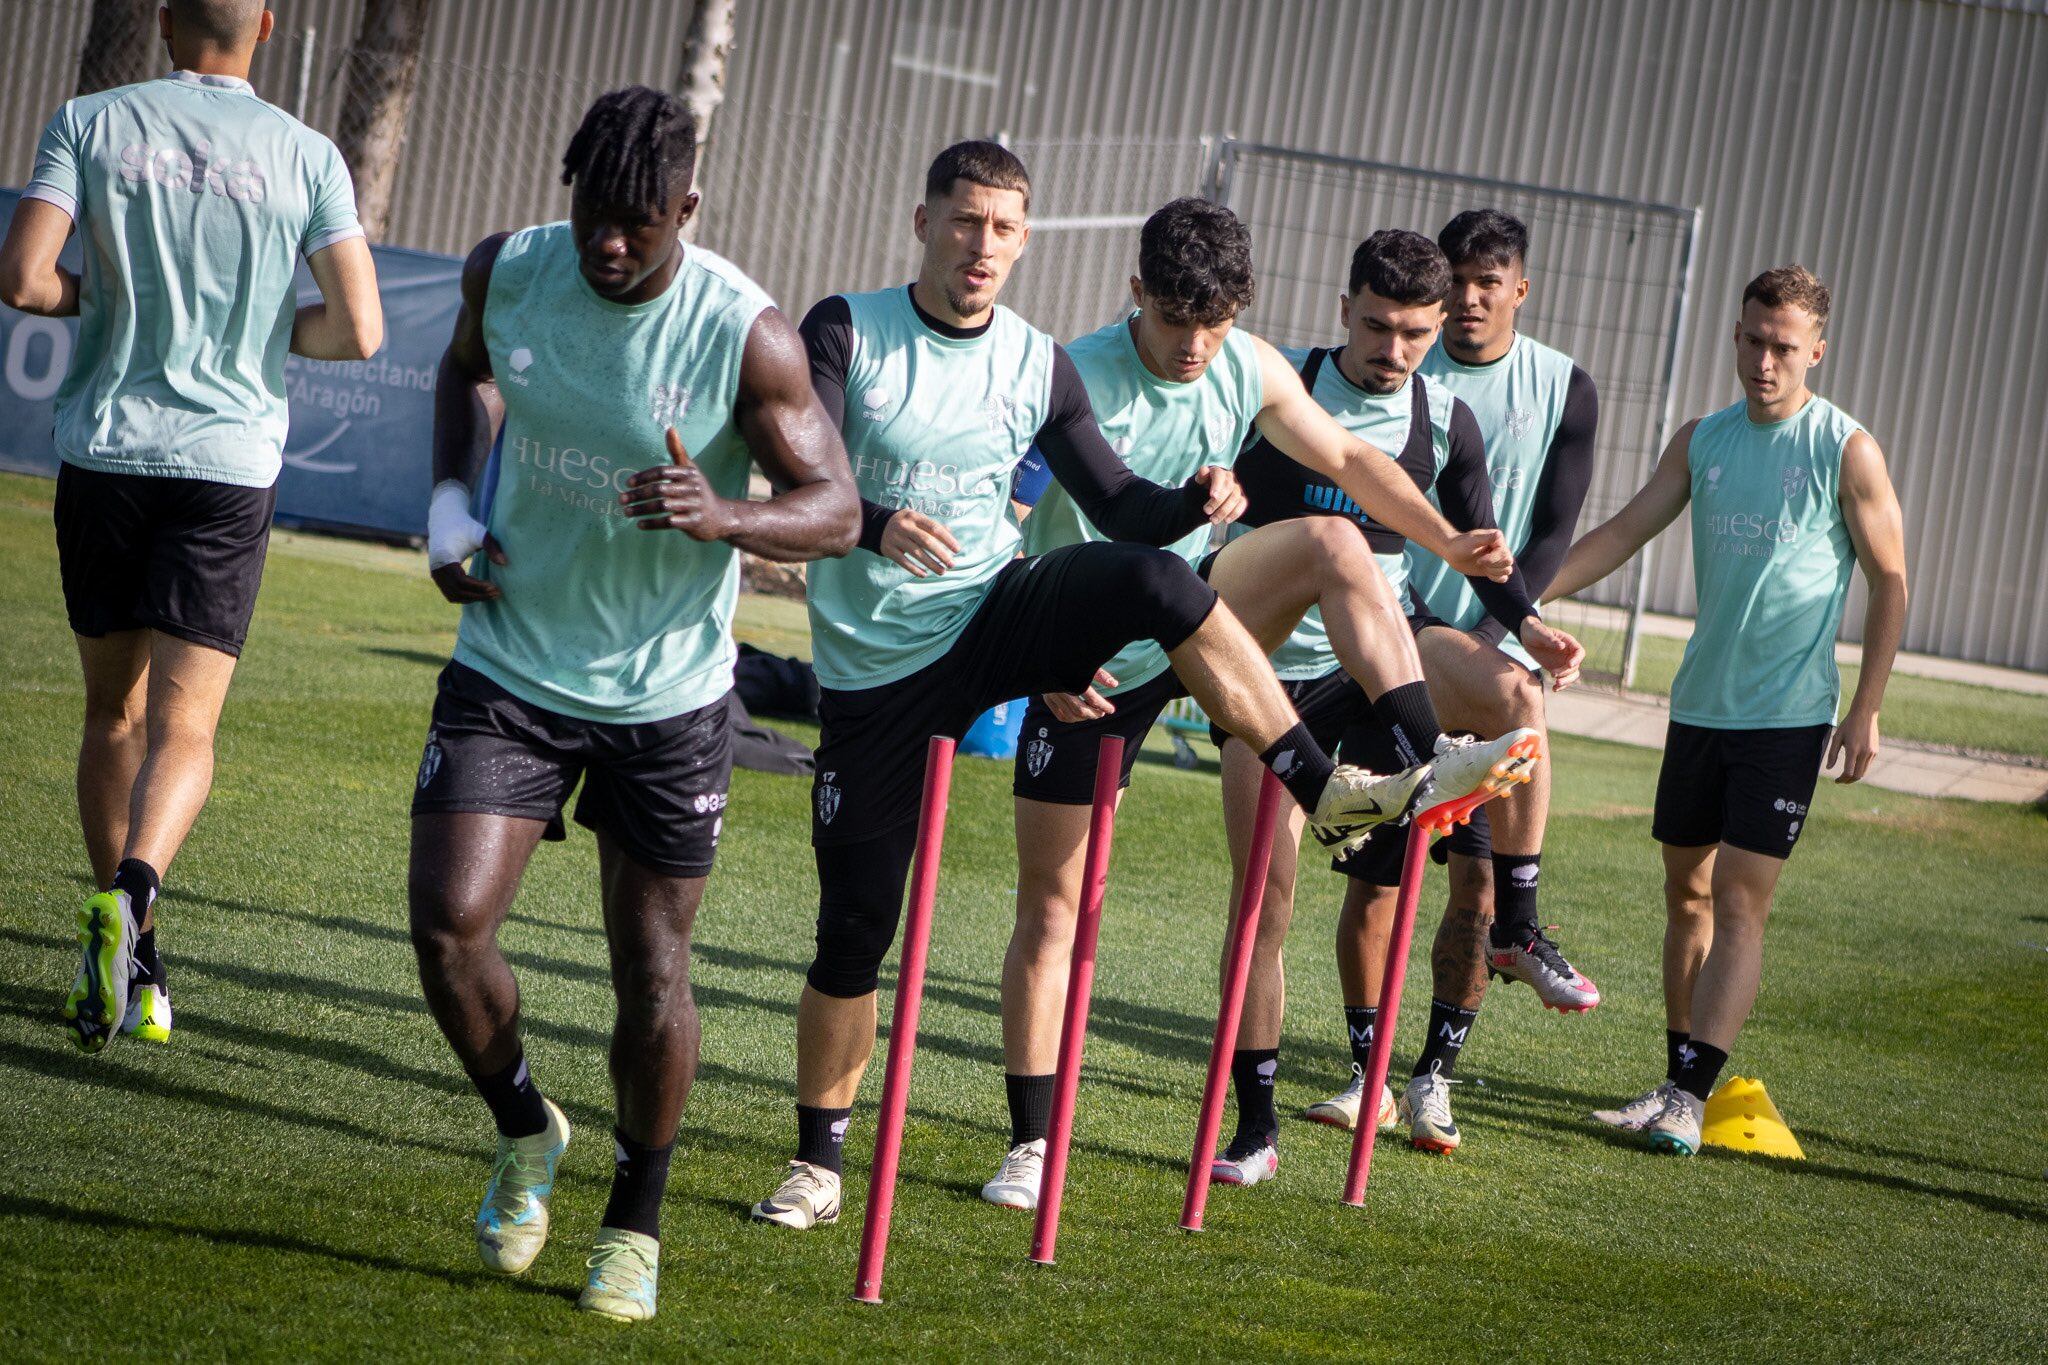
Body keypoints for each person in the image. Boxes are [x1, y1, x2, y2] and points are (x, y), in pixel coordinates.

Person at [749, 145, 1492, 1232]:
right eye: (965, 222)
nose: (1196, 349)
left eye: (1002, 228)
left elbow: (1242, 482)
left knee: (1301, 546)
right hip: (996, 659)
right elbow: (851, 487)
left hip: (1108, 611)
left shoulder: (1184, 366)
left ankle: (1373, 775)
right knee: (924, 920)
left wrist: (1432, 541)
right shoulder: (986, 353)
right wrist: (892, 542)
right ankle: (881, 1155)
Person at [980, 201, 1581, 1208]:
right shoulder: (1068, 372)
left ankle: (1428, 764)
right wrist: (1030, 639)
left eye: (1214, 327)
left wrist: (1446, 543)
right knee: (1056, 910)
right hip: (1093, 656)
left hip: (1215, 624)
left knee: (1336, 543)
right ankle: (1032, 1143)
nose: (1193, 348)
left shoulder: (1252, 366)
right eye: (1175, 324)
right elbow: (1004, 512)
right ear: (1137, 296)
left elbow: (1348, 464)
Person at [407, 87, 859, 1320]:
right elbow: (464, 378)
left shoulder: (742, 331)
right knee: (448, 925)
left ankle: (632, 1223)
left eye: (639, 224)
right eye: (593, 216)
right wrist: (451, 507)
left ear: (687, 210)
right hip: (510, 662)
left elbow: (836, 508)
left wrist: (726, 516)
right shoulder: (510, 269)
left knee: (648, 969)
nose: (610, 243)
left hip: (665, 699)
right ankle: (522, 1128)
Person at [0, 0, 381, 1055]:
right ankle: (134, 901)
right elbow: (359, 329)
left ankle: (136, 953)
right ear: (266, 24)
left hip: (106, 458)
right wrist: (257, 327)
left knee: (109, 718)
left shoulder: (87, 119)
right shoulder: (308, 155)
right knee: (186, 730)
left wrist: (121, 309)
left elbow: (26, 279)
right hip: (225, 467)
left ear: (166, 21)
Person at [1200, 229, 1585, 1181]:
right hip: (1268, 677)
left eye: (1415, 332)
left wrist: (1529, 625)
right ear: (1344, 310)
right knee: (1265, 905)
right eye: (1378, 327)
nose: (1395, 350)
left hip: (1384, 661)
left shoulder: (1445, 417)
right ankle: (1256, 1128)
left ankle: (1515, 922)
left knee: (1513, 693)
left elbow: (1480, 550)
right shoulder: (1280, 388)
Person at [1548, 264, 1907, 1155]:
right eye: (1751, 340)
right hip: (1700, 706)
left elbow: (1891, 578)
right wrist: (1524, 597)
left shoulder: (1844, 447)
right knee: (1687, 892)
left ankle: (1687, 1093)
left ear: (1816, 350)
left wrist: (1866, 706)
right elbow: (1625, 531)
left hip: (1787, 717)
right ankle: (1677, 1081)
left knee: (1743, 901)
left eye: (1783, 346)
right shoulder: (1701, 440)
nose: (1763, 360)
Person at [1305, 208, 1603, 1154]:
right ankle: (1367, 1075)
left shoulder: (1551, 389)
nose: (1465, 302)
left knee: (1471, 879)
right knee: (1377, 885)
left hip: (1469, 641)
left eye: (1487, 282)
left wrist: (1525, 624)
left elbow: (1532, 535)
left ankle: (1437, 1070)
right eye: (1454, 285)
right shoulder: (1350, 370)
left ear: (1519, 287)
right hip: (1377, 643)